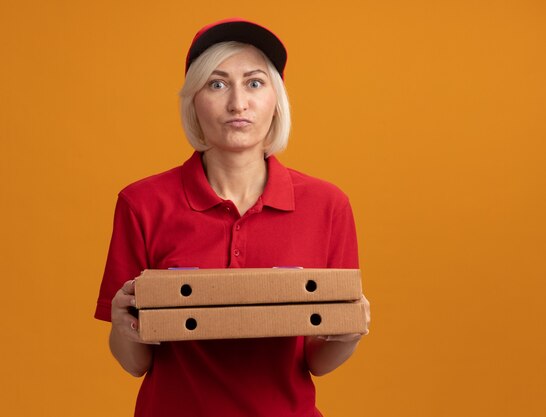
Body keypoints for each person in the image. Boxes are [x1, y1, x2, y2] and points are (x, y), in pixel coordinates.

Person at [95, 18, 371, 417]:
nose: (238, 103)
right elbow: (135, 363)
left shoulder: (327, 205)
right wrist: (125, 329)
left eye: (255, 83)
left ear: (276, 99)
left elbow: (317, 362)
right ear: (193, 100)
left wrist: (349, 334)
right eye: (217, 84)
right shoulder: (142, 203)